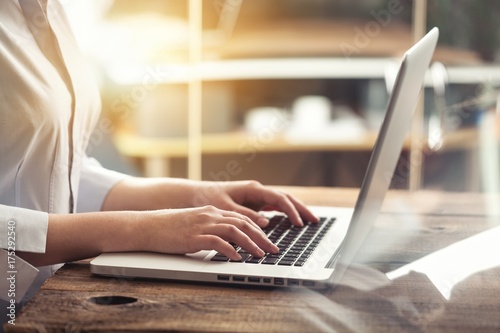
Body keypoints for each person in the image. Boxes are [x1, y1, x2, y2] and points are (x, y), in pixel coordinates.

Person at [0, 0, 318, 319]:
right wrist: (140, 228)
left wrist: (189, 195)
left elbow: (52, 171)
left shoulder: (43, 8)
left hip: (47, 299)